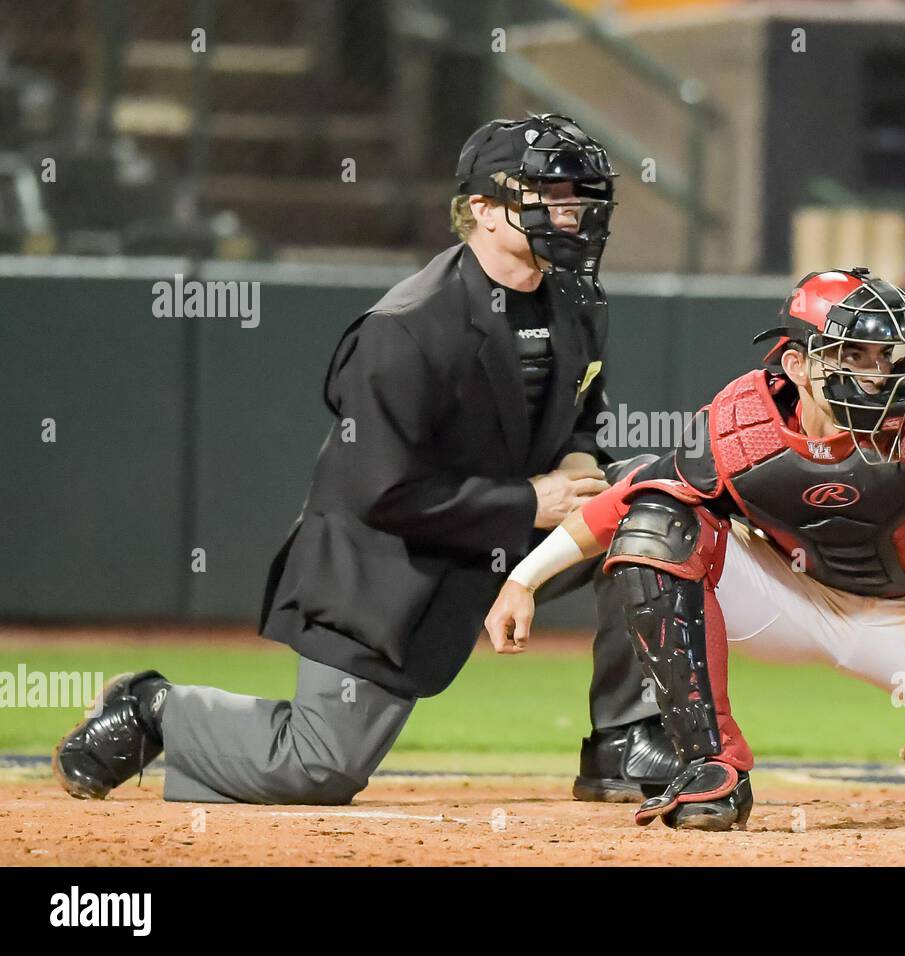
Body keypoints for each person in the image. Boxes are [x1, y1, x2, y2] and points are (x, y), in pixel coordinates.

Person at [51, 114, 677, 804]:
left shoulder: (578, 301)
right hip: (386, 564)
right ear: (482, 209)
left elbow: (583, 413)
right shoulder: (406, 329)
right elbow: (385, 493)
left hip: (507, 532)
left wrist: (583, 467)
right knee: (316, 769)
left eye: (578, 197)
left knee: (650, 502)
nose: (571, 213)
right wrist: (535, 502)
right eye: (548, 194)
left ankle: (623, 739)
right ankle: (153, 707)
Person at [486, 268, 905, 831]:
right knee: (658, 516)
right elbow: (621, 498)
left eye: (890, 356)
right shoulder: (744, 425)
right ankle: (710, 764)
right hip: (788, 599)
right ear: (798, 364)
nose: (881, 374)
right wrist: (523, 578)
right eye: (855, 356)